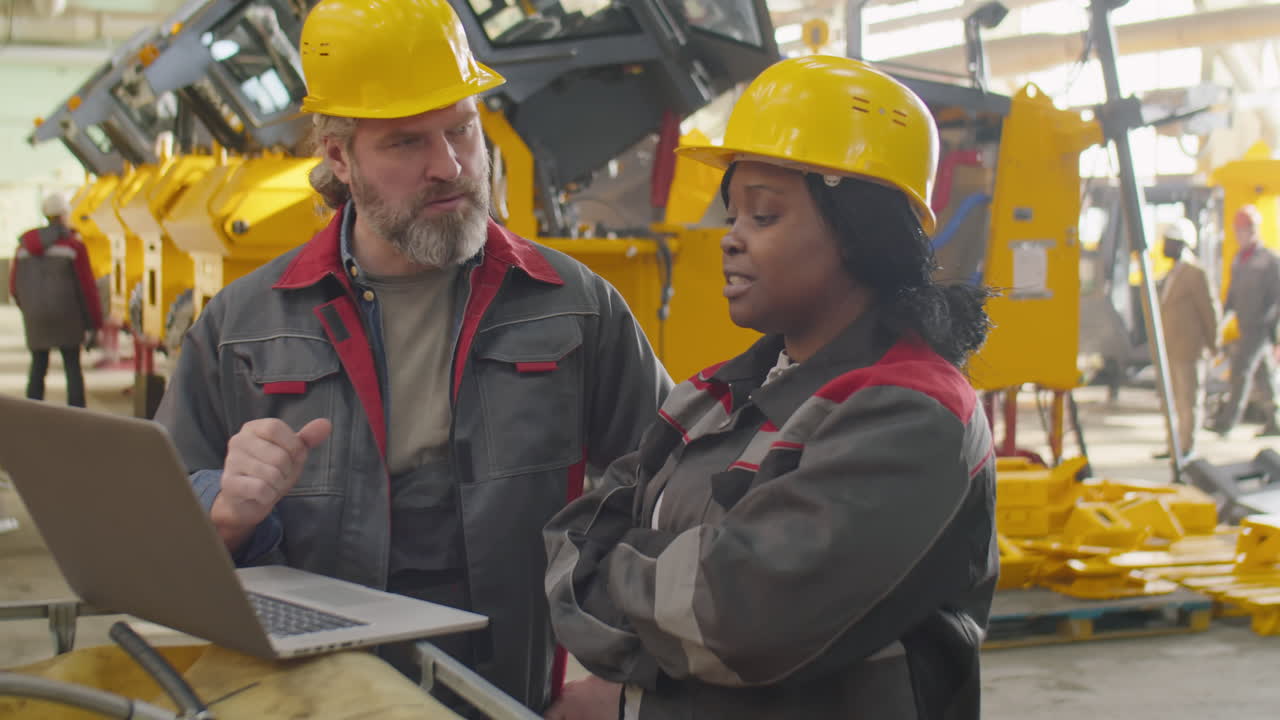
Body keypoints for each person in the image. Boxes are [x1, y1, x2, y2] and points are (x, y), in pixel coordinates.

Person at [152, 0, 670, 712]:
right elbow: (158, 517)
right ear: (338, 156)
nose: (450, 165)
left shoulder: (574, 305)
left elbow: (671, 492)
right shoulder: (244, 324)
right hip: (314, 687)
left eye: (461, 128)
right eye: (405, 143)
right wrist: (226, 511)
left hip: (505, 686)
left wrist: (623, 680)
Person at [544, 56, 998, 720]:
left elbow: (734, 621)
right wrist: (670, 602)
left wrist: (633, 644)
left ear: (857, 233)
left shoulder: (914, 412)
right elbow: (568, 548)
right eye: (732, 216)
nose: (729, 241)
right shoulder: (712, 396)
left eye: (763, 216)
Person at [10, 191, 102, 408]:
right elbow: (87, 288)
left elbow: (14, 287)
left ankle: (32, 413)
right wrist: (94, 322)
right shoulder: (73, 246)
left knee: (38, 366)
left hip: (36, 317)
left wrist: (30, 309)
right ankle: (77, 416)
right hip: (67, 316)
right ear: (63, 215)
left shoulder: (23, 249)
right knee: (72, 368)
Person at [1210, 205, 1280, 437]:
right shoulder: (1238, 259)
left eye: (1244, 230)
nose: (1241, 235)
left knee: (1241, 371)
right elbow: (1232, 293)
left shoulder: (1270, 260)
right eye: (1238, 231)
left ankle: (1227, 423)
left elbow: (1277, 297)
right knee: (1264, 374)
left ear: (1254, 230)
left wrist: (1273, 330)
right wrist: (1222, 315)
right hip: (1244, 325)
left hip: (1260, 328)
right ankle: (1275, 420)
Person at [1154, 219, 1219, 459]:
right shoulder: (1172, 273)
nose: (1164, 247)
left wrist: (1214, 344)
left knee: (1187, 401)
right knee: (1170, 400)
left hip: (1189, 350)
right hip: (1169, 350)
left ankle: (1186, 447)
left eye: (1168, 242)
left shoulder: (1196, 274)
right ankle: (1174, 445)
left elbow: (1209, 310)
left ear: (1181, 244)